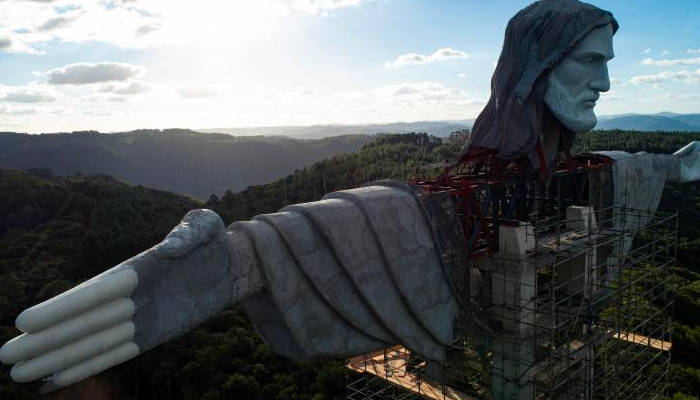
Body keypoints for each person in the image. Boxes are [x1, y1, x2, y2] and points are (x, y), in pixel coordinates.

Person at [1, 0, 699, 394]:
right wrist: (238, 259)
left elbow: (620, 165)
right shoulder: (449, 198)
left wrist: (671, 169)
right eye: (591, 61)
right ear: (538, 67)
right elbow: (367, 216)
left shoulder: (593, 168)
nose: (605, 82)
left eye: (608, 63)